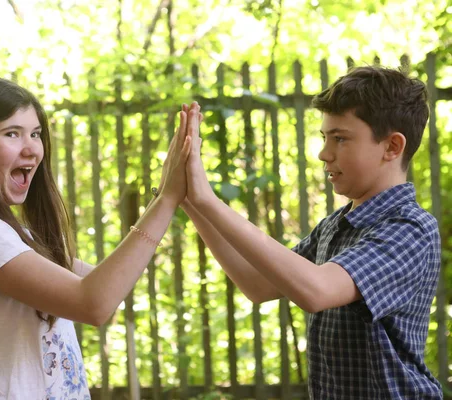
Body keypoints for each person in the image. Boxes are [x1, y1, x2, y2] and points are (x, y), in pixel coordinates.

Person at [0, 77, 196, 399]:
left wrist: (178, 193)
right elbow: (93, 304)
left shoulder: (13, 234)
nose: (31, 148)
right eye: (12, 133)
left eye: (36, 134)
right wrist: (165, 199)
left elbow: (109, 285)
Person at [181, 66, 442, 399]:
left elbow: (315, 291)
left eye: (341, 138)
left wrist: (209, 199)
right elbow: (257, 284)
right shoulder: (337, 224)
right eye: (324, 138)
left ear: (392, 146)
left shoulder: (410, 230)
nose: (324, 153)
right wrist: (192, 201)